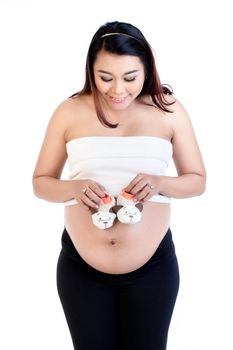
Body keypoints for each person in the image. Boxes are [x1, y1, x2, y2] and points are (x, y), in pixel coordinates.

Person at [32, 20, 206, 350]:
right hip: (80, 271)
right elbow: (41, 183)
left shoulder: (169, 110)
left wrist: (159, 182)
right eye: (105, 78)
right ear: (90, 70)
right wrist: (73, 188)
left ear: (147, 70)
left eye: (130, 78)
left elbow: (197, 181)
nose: (117, 90)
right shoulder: (69, 112)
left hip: (152, 270)